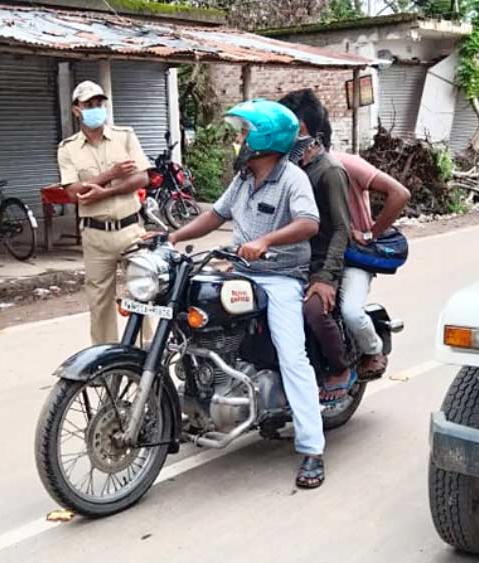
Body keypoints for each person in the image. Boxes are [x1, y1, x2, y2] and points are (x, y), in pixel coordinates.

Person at [166, 99, 328, 489]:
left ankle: (312, 448)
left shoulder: (292, 178)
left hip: (280, 276)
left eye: (244, 133)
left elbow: (309, 223)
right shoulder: (242, 178)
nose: (238, 139)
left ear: (264, 138)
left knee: (293, 357)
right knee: (191, 319)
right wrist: (171, 236)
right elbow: (215, 215)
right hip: (239, 270)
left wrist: (266, 240)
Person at [280, 89, 410, 381]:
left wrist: (370, 232)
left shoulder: (339, 165)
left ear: (304, 129)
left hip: (351, 256)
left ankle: (370, 350)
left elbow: (399, 194)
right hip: (312, 254)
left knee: (350, 311)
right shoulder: (289, 167)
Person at [57, 81, 151, 345]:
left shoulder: (125, 136)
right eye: (89, 105)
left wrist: (104, 192)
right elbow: (74, 192)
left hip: (131, 230)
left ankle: (148, 358)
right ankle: (106, 360)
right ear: (77, 110)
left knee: (144, 295)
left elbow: (142, 178)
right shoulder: (68, 148)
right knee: (99, 303)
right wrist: (111, 175)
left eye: (100, 103)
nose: (96, 109)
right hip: (95, 236)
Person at [278, 94, 354, 402]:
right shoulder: (285, 167)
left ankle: (340, 368)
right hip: (288, 261)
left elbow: (341, 229)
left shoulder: (329, 171)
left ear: (301, 129)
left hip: (320, 264)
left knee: (313, 310)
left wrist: (326, 278)